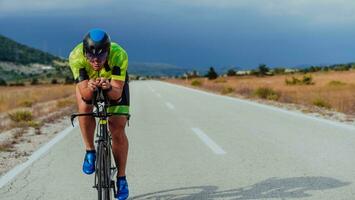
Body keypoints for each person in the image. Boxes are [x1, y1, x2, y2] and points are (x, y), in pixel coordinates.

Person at [69, 28, 130, 200]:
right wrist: (90, 88)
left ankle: (121, 178)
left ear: (108, 52)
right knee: (84, 109)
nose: (96, 62)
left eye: (101, 57)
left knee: (117, 128)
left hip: (113, 84)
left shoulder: (119, 54)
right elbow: (86, 96)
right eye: (91, 57)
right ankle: (90, 150)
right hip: (88, 83)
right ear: (85, 53)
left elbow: (117, 94)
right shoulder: (76, 56)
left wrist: (109, 87)